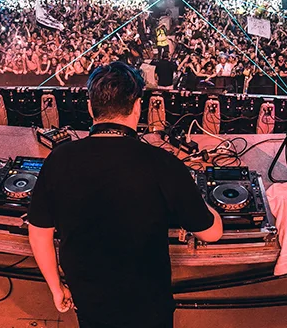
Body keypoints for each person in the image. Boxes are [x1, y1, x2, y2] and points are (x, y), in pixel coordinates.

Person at [28, 62, 223, 328]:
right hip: (148, 306)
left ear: (90, 107)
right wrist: (203, 200)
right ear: (137, 107)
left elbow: (39, 232)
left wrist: (56, 287)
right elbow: (211, 233)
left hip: (89, 300)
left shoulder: (58, 159)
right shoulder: (162, 163)